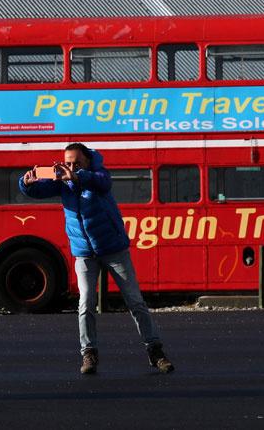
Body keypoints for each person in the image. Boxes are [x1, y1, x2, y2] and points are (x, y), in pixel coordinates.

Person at [19, 143, 175, 376]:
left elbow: (103, 183)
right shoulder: (62, 183)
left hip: (113, 249)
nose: (71, 167)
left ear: (87, 162)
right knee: (85, 303)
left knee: (135, 301)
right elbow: (36, 191)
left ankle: (155, 351)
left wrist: (79, 176)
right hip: (84, 253)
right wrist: (27, 183)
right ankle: (88, 353)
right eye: (67, 162)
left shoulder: (98, 175)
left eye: (76, 163)